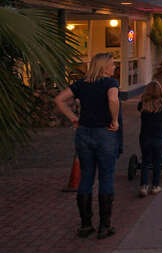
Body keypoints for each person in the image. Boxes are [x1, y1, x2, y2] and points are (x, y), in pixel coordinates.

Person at [54, 52, 120, 239]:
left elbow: (59, 99)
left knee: (86, 177)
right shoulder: (110, 83)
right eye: (112, 64)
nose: (114, 67)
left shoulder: (81, 84)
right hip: (104, 133)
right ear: (104, 67)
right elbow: (113, 99)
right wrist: (114, 120)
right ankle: (104, 226)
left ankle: (85, 224)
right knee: (106, 177)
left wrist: (73, 118)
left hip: (83, 133)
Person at [137, 81, 162, 197]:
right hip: (158, 137)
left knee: (145, 161)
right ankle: (155, 186)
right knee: (156, 162)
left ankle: (144, 186)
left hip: (145, 137)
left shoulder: (142, 104)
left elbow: (138, 108)